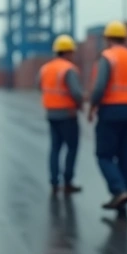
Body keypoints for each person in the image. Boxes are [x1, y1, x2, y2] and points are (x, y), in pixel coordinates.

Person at [87, 21, 127, 210]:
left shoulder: (108, 57)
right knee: (123, 157)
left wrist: (92, 106)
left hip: (110, 111)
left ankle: (119, 191)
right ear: (124, 38)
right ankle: (124, 196)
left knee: (103, 155)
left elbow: (100, 86)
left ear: (107, 38)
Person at [38, 34, 84, 195]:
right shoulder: (68, 69)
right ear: (68, 52)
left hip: (51, 114)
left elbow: (40, 86)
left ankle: (54, 182)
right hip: (68, 114)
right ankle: (68, 181)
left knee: (55, 148)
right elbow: (77, 93)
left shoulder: (45, 68)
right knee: (72, 147)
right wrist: (80, 104)